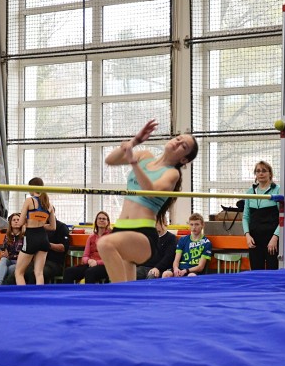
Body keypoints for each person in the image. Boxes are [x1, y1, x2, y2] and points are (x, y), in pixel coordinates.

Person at [97, 120, 199, 283]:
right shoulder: (145, 156)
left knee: (104, 244)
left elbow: (150, 191)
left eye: (183, 146)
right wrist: (135, 141)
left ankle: (118, 293)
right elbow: (110, 160)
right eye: (178, 138)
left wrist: (133, 163)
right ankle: (127, 297)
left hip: (143, 233)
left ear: (184, 160)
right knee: (128, 279)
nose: (177, 143)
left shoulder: (172, 174)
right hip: (121, 227)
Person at [15, 177, 56, 285]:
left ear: (32, 187)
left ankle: (23, 295)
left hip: (31, 236)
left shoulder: (29, 200)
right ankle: (40, 294)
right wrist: (41, 225)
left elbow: (20, 222)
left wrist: (28, 222)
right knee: (39, 273)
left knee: (19, 272)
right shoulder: (49, 204)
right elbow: (53, 227)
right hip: (43, 238)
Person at [3, 217, 70, 285]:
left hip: (54, 262)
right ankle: (3, 289)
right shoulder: (37, 226)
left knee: (34, 274)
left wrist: (47, 244)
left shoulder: (61, 227)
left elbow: (63, 248)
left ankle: (33, 291)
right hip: (36, 261)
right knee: (15, 274)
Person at [242, 161, 281, 271]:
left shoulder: (277, 190)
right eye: (258, 171)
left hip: (271, 240)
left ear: (270, 173)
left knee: (272, 272)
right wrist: (247, 235)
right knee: (256, 272)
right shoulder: (250, 192)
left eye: (264, 171)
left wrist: (275, 237)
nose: (261, 173)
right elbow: (245, 217)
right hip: (254, 240)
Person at [62, 211, 112, 284]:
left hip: (105, 266)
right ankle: (68, 291)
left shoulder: (111, 237)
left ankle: (89, 292)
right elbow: (85, 256)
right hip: (90, 263)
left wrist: (97, 262)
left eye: (104, 219)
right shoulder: (91, 237)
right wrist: (89, 261)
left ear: (108, 222)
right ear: (96, 221)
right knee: (68, 271)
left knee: (90, 272)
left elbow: (111, 258)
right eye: (99, 218)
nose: (101, 220)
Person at [162, 213, 212, 278]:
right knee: (166, 274)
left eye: (197, 224)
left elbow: (200, 267)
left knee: (191, 276)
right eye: (191, 224)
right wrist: (176, 269)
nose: (194, 227)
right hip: (180, 268)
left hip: (193, 270)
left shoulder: (206, 243)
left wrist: (186, 270)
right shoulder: (183, 240)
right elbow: (176, 260)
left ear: (202, 225)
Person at [0, 212, 24, 285]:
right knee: (3, 260)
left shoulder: (25, 236)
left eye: (18, 220)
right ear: (10, 223)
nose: (16, 221)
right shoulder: (7, 236)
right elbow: (4, 251)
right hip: (9, 260)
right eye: (14, 220)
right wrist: (2, 254)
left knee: (9, 269)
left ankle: (0, 285)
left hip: (20, 262)